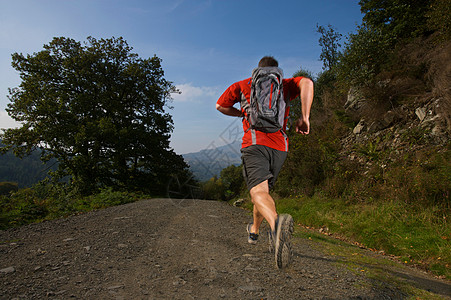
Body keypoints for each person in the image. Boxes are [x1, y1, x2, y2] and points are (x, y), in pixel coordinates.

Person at [216, 56, 314, 268]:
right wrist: (305, 116)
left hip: (254, 143)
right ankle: (254, 230)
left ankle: (276, 225)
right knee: (262, 193)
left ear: (258, 70)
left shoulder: (243, 85)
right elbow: (307, 82)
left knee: (257, 192)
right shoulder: (285, 85)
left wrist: (242, 113)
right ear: (276, 70)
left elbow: (219, 106)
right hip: (280, 147)